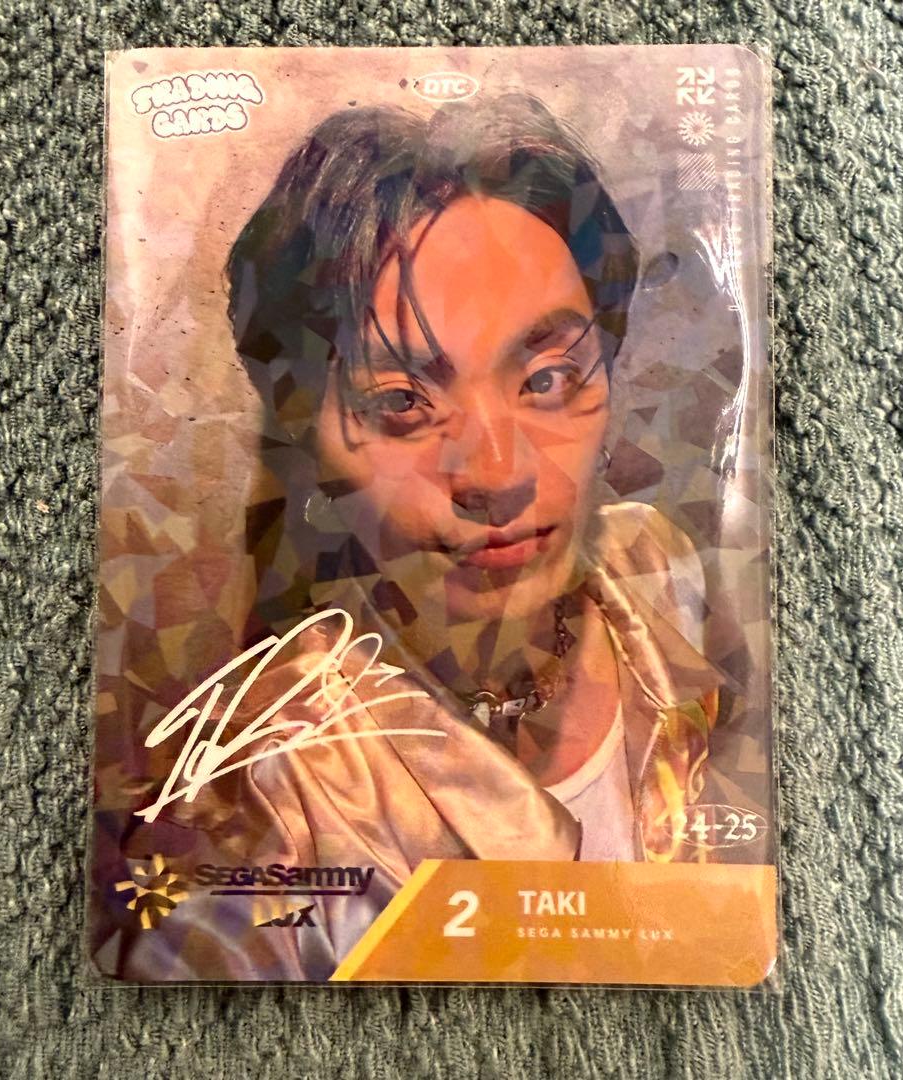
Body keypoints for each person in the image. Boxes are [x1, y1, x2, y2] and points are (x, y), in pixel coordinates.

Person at [104, 94, 723, 981]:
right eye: (400, 402)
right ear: (303, 432)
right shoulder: (267, 798)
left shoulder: (657, 567)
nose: (498, 472)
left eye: (549, 377)